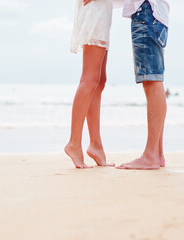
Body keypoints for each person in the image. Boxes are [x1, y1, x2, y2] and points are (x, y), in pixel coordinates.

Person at [115, 0, 170, 170]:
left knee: (151, 81)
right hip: (155, 14)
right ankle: (157, 153)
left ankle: (150, 156)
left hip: (147, 12)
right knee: (153, 80)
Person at [65, 0, 115, 168]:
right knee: (90, 78)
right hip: (96, 10)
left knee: (99, 81)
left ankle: (96, 145)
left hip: (103, 9)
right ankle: (74, 143)